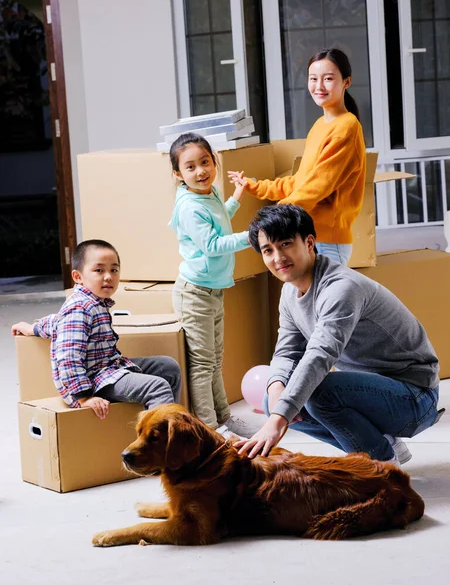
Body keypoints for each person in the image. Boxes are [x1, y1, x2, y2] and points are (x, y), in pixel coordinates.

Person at [235, 204, 443, 465]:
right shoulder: (290, 291)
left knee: (317, 392)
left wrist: (278, 422)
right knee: (271, 401)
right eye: (268, 250)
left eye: (286, 244)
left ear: (309, 242)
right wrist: (276, 388)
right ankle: (381, 446)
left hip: (415, 396)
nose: (278, 257)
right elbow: (288, 350)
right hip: (374, 393)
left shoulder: (341, 287)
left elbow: (319, 355)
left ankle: (379, 468)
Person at [11, 239, 181, 419]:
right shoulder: (79, 308)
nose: (108, 276)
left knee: (168, 367)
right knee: (157, 387)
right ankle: (159, 442)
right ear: (78, 277)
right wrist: (84, 397)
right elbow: (68, 357)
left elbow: (57, 322)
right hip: (92, 382)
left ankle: (173, 424)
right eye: (99, 270)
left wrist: (32, 328)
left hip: (108, 368)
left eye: (114, 270)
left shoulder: (92, 302)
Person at [228, 47, 366, 265]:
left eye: (328, 79)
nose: (319, 86)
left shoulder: (347, 127)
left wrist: (274, 217)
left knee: (324, 300)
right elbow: (301, 181)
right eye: (313, 79)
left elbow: (318, 187)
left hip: (327, 242)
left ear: (346, 82)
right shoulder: (320, 125)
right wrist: (256, 186)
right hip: (309, 237)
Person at [168, 132, 256, 439]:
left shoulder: (209, 195)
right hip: (195, 294)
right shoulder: (190, 206)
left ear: (214, 162)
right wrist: (254, 235)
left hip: (212, 290)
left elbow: (221, 219)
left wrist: (236, 196)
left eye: (205, 162)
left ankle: (225, 418)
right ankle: (210, 427)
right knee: (203, 364)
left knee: (215, 360)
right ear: (178, 174)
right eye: (190, 167)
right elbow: (214, 244)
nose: (201, 171)